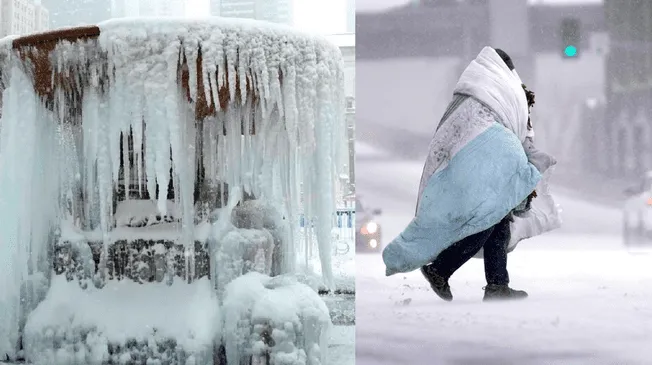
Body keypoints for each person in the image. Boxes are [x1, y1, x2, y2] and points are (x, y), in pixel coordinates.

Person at [381, 46, 559, 302]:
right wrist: (527, 161)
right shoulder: (505, 92)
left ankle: (497, 284)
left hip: (467, 165)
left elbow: (456, 133)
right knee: (486, 219)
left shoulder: (470, 94)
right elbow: (515, 132)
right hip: (481, 166)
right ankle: (440, 269)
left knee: (498, 220)